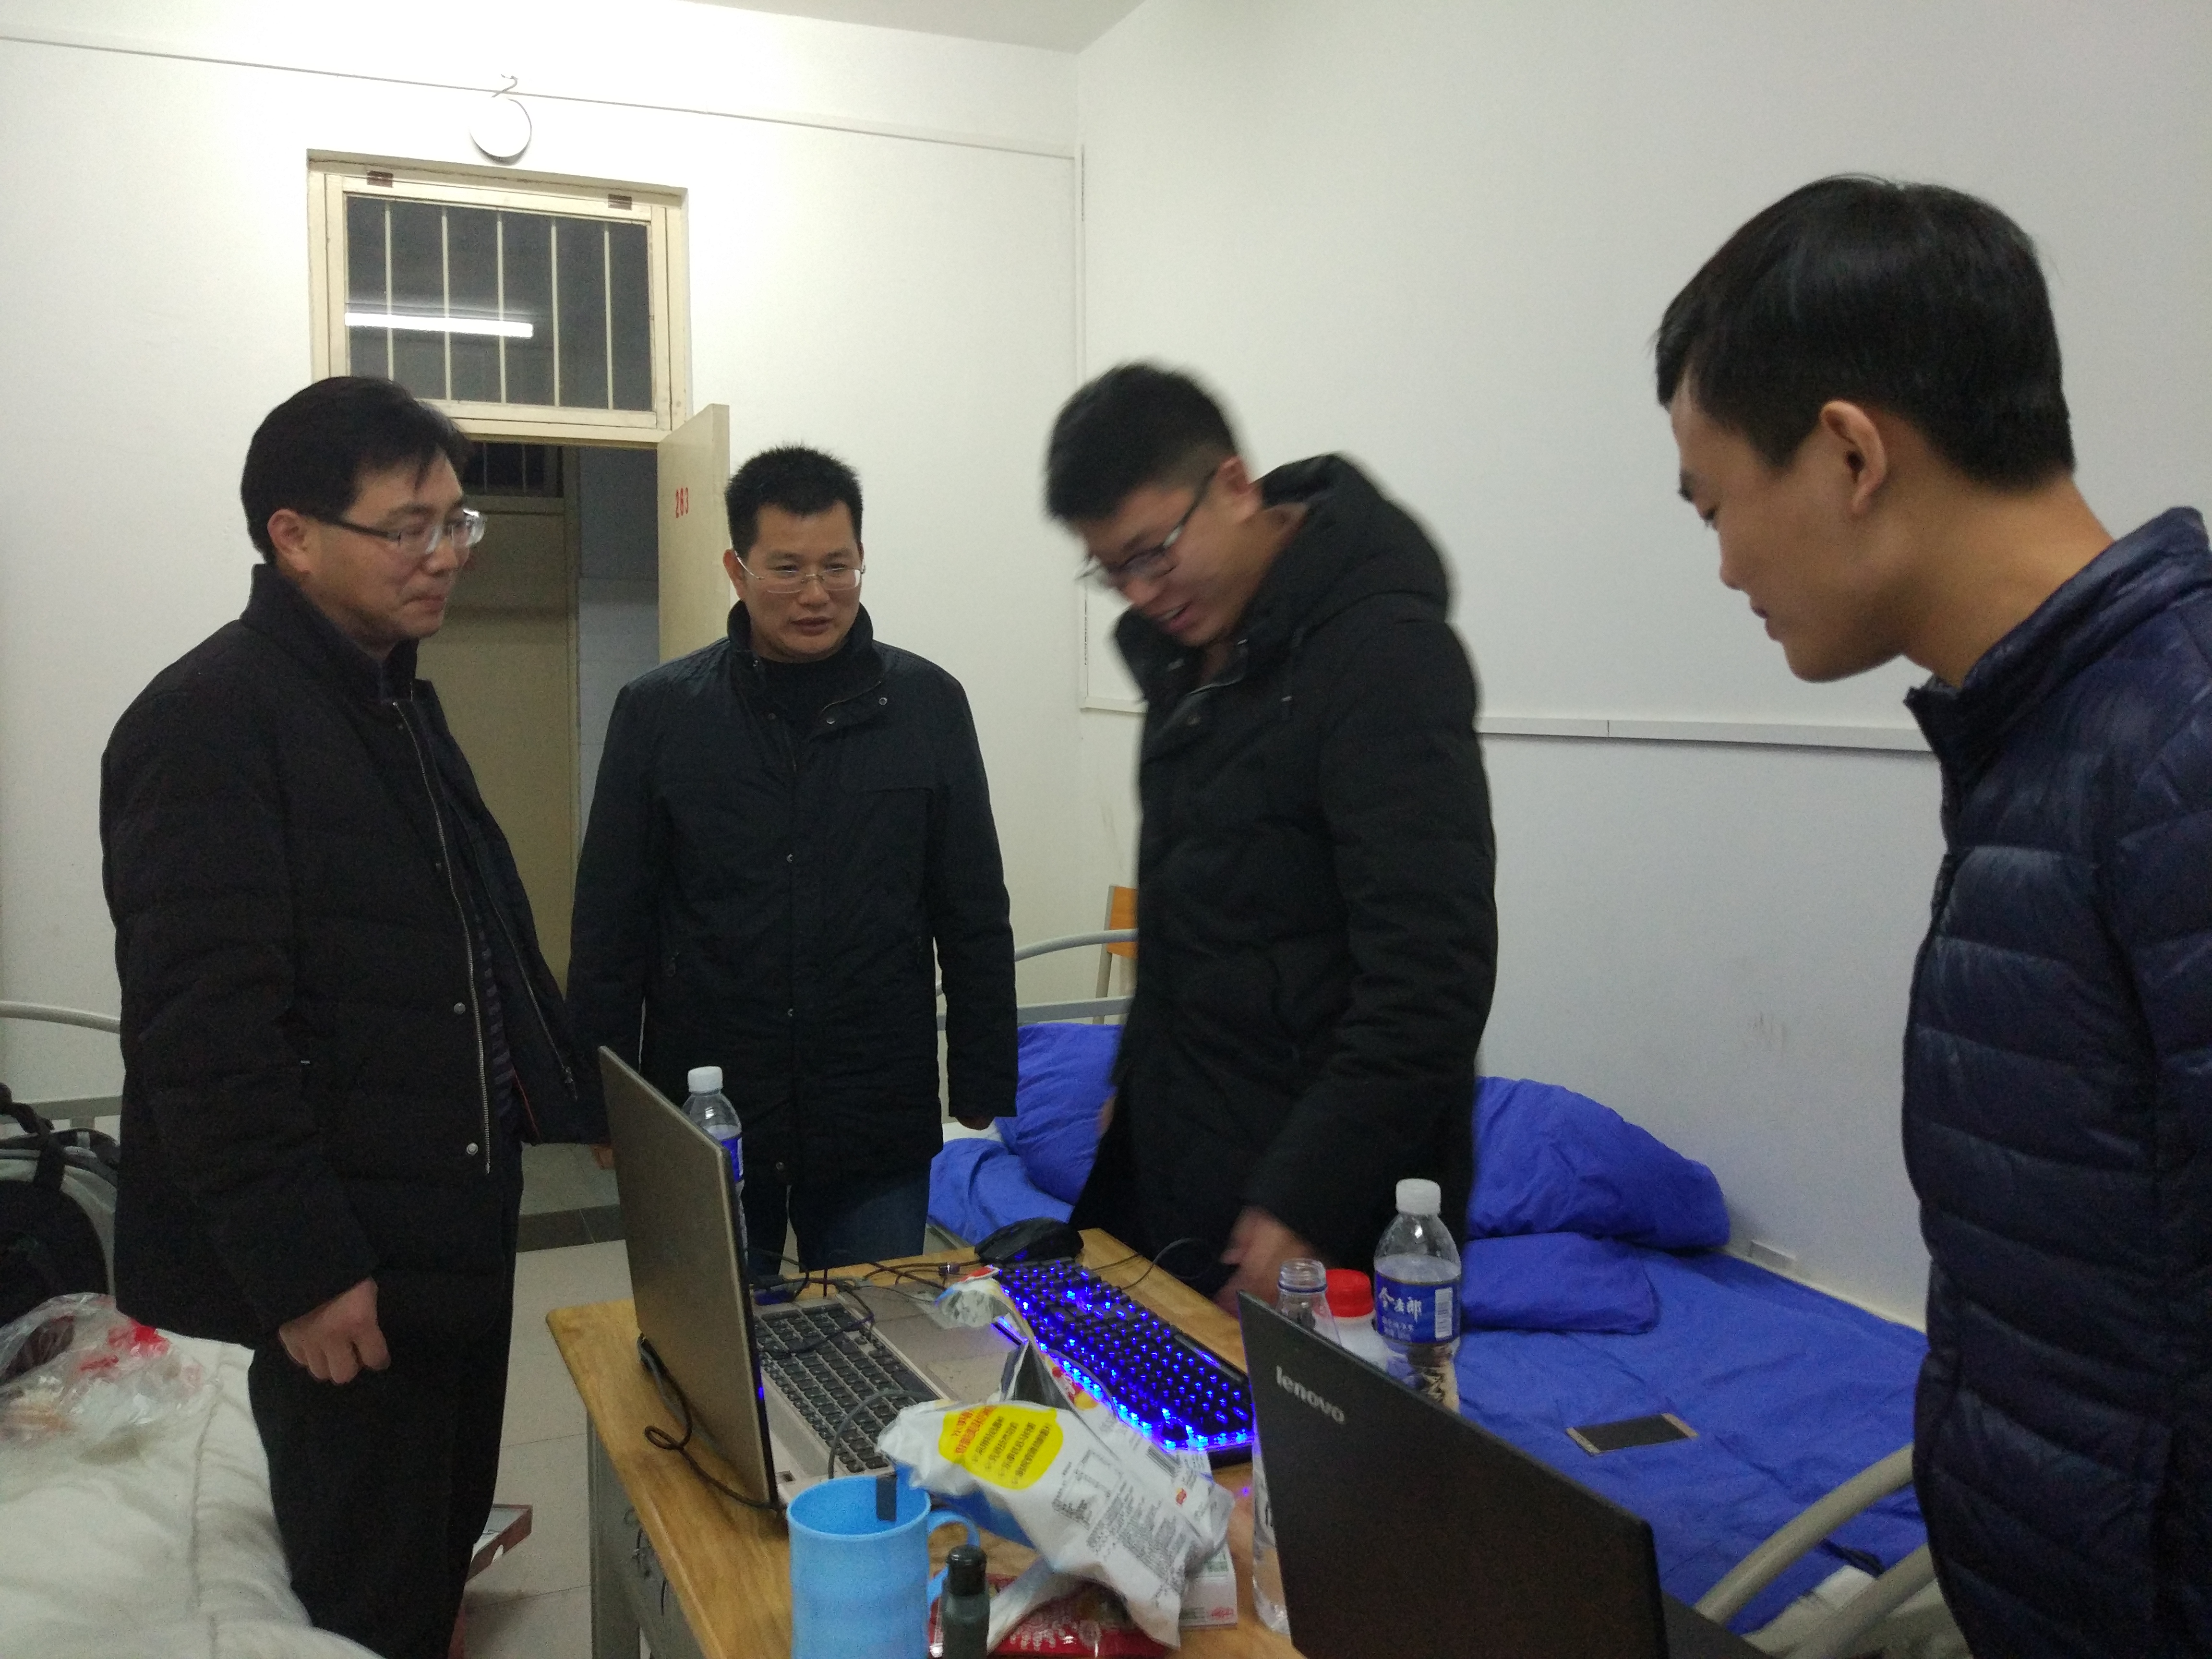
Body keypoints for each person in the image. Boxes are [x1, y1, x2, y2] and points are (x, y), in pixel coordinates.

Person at [1659, 176, 2211, 1657]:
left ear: (1850, 453)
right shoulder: (2044, 739)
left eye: (1717, 506)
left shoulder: (2177, 743)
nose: (1727, 566)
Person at [102, 377, 600, 1659]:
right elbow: (206, 1038)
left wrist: (575, 1100)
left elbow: (479, 936)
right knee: (355, 1594)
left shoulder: (391, 700)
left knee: (428, 1555)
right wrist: (306, 1272)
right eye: (407, 528)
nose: (445, 556)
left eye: (456, 523)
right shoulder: (210, 722)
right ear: (294, 537)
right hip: (336, 1284)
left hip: (436, 1241)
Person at [1045, 364, 1497, 1311]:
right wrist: (1134, 1085)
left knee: (1293, 1417)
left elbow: (1429, 981)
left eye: (1154, 553)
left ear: (1236, 486)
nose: (1140, 593)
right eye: (1113, 570)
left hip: (1324, 1204)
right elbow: (1186, 911)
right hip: (1184, 1160)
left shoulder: (1385, 655)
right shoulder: (1190, 661)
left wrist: (1302, 1201)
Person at [567, 445, 1016, 1279]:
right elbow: (610, 922)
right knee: (714, 1338)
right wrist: (601, 1102)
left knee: (878, 1329)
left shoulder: (927, 706)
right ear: (737, 571)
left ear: (861, 561)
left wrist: (983, 1075)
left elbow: (973, 909)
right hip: (710, 1105)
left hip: (874, 1103)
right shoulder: (661, 713)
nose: (816, 594)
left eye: (837, 567)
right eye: (787, 568)